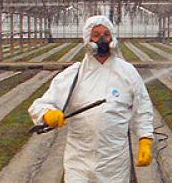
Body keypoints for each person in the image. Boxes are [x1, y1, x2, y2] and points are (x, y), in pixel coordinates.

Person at [28, 15, 154, 182]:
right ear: (87, 39)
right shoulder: (74, 74)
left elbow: (142, 109)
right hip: (79, 161)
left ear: (113, 37)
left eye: (106, 34)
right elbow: (40, 105)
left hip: (114, 161)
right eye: (96, 35)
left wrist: (145, 139)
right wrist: (47, 114)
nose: (103, 39)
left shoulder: (127, 72)